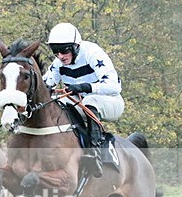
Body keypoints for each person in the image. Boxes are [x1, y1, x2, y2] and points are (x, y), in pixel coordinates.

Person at [43, 23, 124, 177]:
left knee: (90, 102)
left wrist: (83, 87)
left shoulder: (93, 53)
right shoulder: (58, 64)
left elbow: (114, 86)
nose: (60, 56)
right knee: (57, 103)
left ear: (76, 46)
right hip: (81, 101)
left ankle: (95, 152)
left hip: (110, 101)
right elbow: (45, 84)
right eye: (55, 51)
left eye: (64, 50)